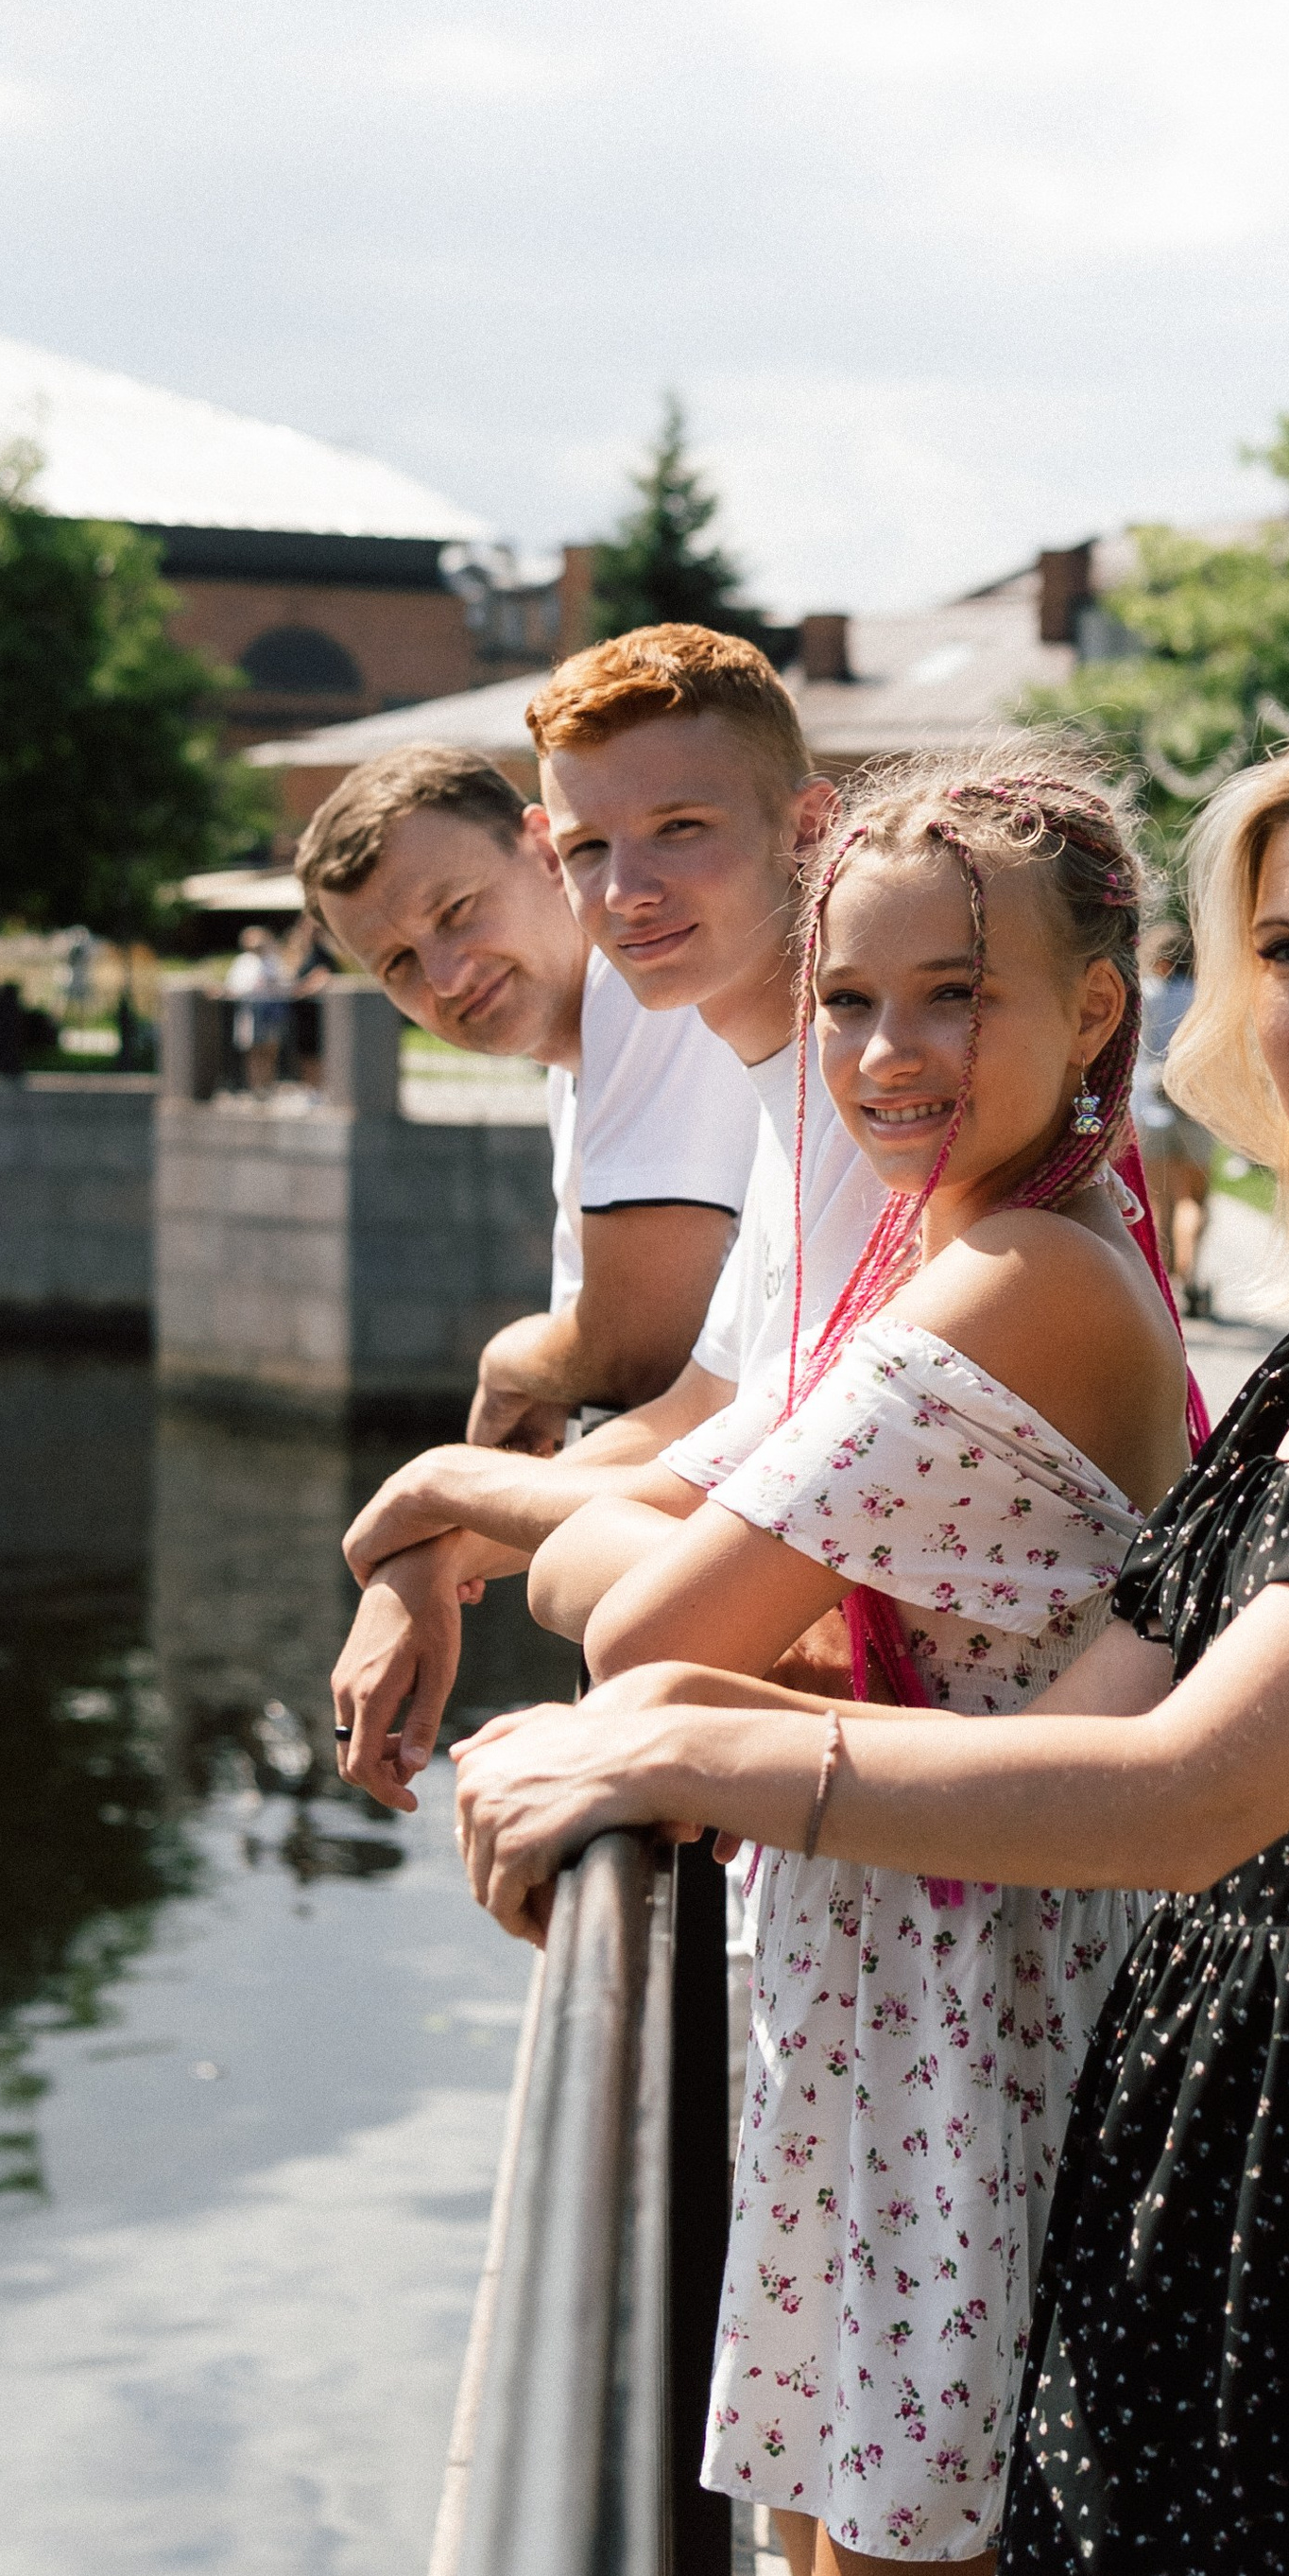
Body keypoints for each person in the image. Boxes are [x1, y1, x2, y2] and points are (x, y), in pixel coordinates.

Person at [453, 699, 1289, 2576]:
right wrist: (733, 1683)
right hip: (1221, 2134)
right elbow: (1066, 1716)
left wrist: (685, 1738)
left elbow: (1177, 1791)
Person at [527, 750, 1187, 2576]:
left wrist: (559, 1556)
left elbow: (640, 1628)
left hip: (956, 2023)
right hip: (890, 1990)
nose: (886, 1051)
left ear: (1092, 1007)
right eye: (847, 998)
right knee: (833, 2559)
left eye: (952, 993)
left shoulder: (1001, 1280)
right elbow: (716, 1545)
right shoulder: (966, 1228)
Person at [328, 628, 885, 1806]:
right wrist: (435, 1540)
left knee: (581, 1575)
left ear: (806, 830)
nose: (627, 891)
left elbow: (709, 1507)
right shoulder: (780, 1087)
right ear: (555, 848)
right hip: (866, 1832)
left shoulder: (873, 1101)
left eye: (680, 829)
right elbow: (712, 1416)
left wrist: (449, 1492)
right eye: (593, 847)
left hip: (932, 1837)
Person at [295, 740, 755, 1451]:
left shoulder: (642, 992)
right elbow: (609, 1368)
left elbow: (639, 1349)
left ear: (545, 852)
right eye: (398, 964)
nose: (444, 978)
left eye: (456, 911)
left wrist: (508, 1364)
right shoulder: (575, 1064)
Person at [1130, 919, 1213, 1313]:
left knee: (1158, 1203)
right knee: (1193, 1200)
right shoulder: (1204, 998)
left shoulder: (1144, 995)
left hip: (1148, 1109)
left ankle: (1162, 1289)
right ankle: (1191, 1277)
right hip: (1196, 1108)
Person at [223, 924, 288, 1090]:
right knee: (252, 1050)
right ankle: (256, 1087)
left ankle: (268, 1084)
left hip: (272, 1011)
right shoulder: (242, 962)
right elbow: (233, 987)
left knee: (271, 1048)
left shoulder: (274, 961)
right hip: (250, 1010)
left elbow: (285, 984)